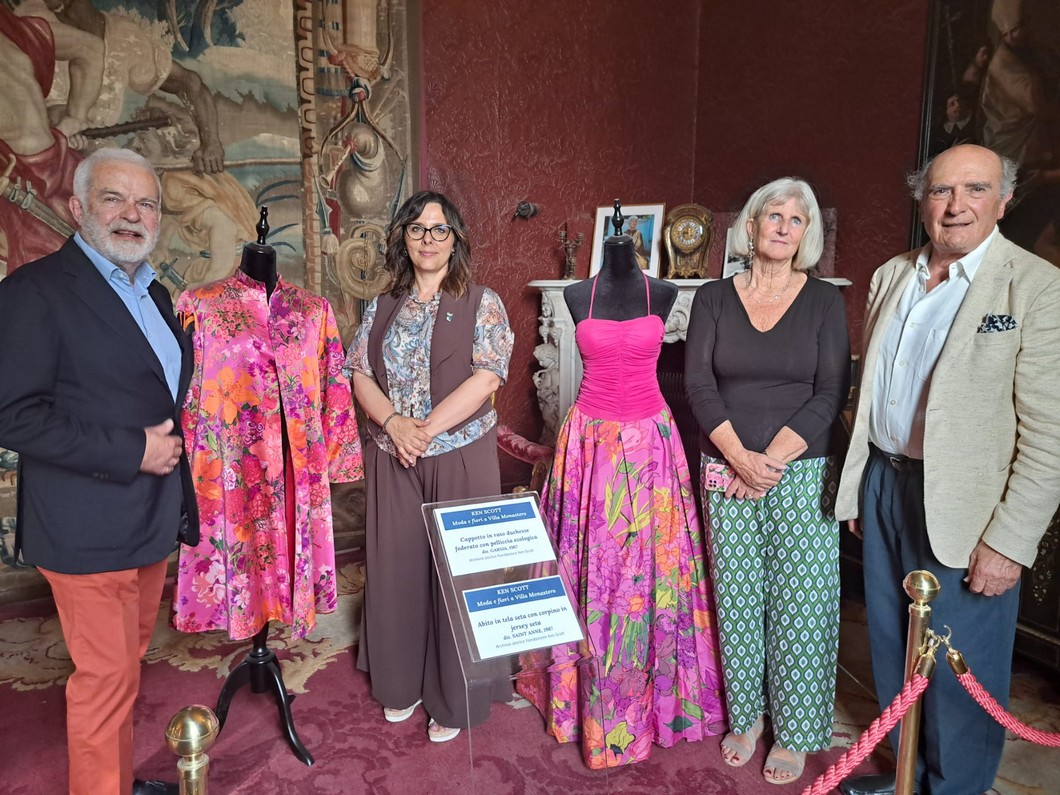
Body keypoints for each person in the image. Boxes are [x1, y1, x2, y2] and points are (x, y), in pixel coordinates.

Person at [836, 144, 1060, 795]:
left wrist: (1010, 541)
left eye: (975, 189)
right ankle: (908, 776)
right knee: (893, 644)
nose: (956, 205)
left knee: (963, 663)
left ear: (1004, 201)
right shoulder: (892, 274)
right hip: (885, 483)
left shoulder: (1035, 287)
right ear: (922, 199)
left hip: (968, 507)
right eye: (941, 191)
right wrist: (861, 487)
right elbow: (870, 394)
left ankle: (956, 786)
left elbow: (1049, 434)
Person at [0, 148, 197, 795]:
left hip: (147, 521)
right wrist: (131, 450)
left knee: (124, 670)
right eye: (115, 198)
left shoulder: (154, 292)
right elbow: (12, 416)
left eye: (147, 203)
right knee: (105, 680)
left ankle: (115, 781)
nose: (132, 214)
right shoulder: (34, 293)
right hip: (84, 525)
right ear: (78, 208)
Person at [517, 234, 726, 769]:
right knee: (592, 565)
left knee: (652, 569)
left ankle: (653, 706)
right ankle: (588, 701)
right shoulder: (577, 294)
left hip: (651, 442)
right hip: (590, 443)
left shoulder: (663, 291)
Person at [685, 177, 850, 785]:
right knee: (737, 599)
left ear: (807, 234)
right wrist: (739, 458)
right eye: (772, 215)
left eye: (796, 219)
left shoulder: (825, 300)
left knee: (801, 603)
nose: (783, 227)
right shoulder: (712, 298)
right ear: (750, 226)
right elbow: (698, 384)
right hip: (724, 466)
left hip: (802, 469)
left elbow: (832, 391)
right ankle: (748, 715)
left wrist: (768, 462)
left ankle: (797, 729)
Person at [343, 190, 514, 743]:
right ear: (403, 238)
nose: (428, 239)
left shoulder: (482, 301)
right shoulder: (382, 304)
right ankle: (401, 682)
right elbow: (359, 372)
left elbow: (488, 376)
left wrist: (424, 430)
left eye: (440, 230)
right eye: (417, 229)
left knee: (460, 577)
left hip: (459, 453)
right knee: (397, 566)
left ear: (456, 240)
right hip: (394, 454)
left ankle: (454, 696)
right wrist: (395, 424)